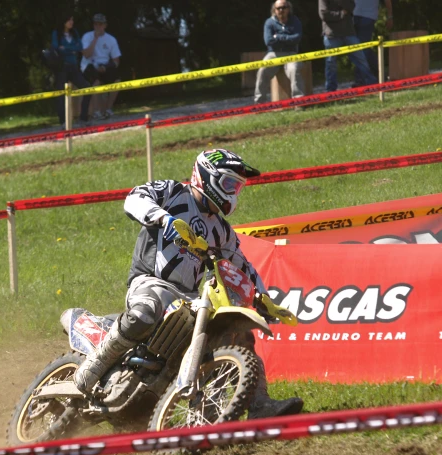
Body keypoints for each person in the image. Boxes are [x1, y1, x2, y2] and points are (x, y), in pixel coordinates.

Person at [73, 149, 305, 419]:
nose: (233, 192)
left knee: (236, 332)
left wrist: (264, 299)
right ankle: (93, 367)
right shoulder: (173, 193)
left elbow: (243, 265)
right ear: (207, 176)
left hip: (186, 297)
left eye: (237, 188)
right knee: (145, 312)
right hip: (150, 281)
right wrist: (163, 218)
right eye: (229, 184)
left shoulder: (221, 230)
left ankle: (259, 404)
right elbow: (134, 198)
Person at [318, 0, 377, 91]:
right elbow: (324, 14)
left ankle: (371, 84)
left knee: (361, 59)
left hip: (349, 32)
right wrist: (341, 13)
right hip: (331, 34)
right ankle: (330, 90)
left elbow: (352, 6)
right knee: (331, 64)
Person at [254, 1, 305, 104]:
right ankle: (259, 104)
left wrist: (278, 37)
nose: (281, 10)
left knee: (294, 69)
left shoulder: (295, 21)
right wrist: (287, 39)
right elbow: (268, 41)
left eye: (284, 7)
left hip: (291, 53)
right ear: (274, 10)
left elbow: (297, 38)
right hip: (273, 54)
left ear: (288, 9)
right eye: (278, 8)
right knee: (262, 71)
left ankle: (299, 102)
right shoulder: (269, 22)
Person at [80, 14, 122, 119]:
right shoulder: (87, 36)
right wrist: (95, 39)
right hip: (89, 65)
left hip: (105, 65)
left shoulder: (111, 39)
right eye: (95, 24)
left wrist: (106, 67)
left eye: (100, 24)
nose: (98, 26)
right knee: (96, 81)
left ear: (105, 25)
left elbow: (116, 60)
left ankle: (108, 109)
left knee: (117, 80)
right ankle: (96, 111)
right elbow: (86, 54)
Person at [51, 14, 91, 125]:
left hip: (73, 67)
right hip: (62, 67)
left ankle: (83, 118)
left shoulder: (75, 32)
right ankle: (63, 121)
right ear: (63, 21)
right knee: (61, 93)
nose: (71, 22)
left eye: (72, 19)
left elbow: (79, 47)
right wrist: (71, 50)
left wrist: (65, 49)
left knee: (87, 88)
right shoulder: (56, 33)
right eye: (69, 19)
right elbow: (56, 48)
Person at [353, 0, 393, 84]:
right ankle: (380, 74)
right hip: (352, 15)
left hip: (368, 16)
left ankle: (360, 79)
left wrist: (389, 16)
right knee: (361, 48)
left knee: (362, 49)